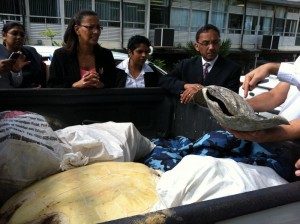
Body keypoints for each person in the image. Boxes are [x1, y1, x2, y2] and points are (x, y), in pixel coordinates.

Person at [241, 57, 300, 177]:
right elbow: (275, 95)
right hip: (275, 140)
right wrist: (240, 106)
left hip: (292, 150)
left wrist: (272, 68)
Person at [159, 24, 241, 104]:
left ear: (219, 43)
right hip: (187, 114)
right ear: (196, 46)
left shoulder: (232, 68)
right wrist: (186, 86)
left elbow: (231, 99)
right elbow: (164, 80)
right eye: (206, 43)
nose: (211, 47)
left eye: (215, 42)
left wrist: (201, 92)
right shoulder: (186, 65)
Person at [47, 10, 116, 88]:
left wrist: (102, 85)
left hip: (100, 100)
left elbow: (114, 85)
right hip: (71, 100)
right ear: (77, 29)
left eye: (98, 27)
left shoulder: (106, 55)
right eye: (90, 27)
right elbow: (52, 86)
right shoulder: (61, 55)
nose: (96, 31)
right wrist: (75, 85)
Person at [0, 22, 44, 88]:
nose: (19, 37)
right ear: (4, 35)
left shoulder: (31, 52)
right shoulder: (2, 56)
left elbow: (40, 74)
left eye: (22, 35)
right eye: (14, 34)